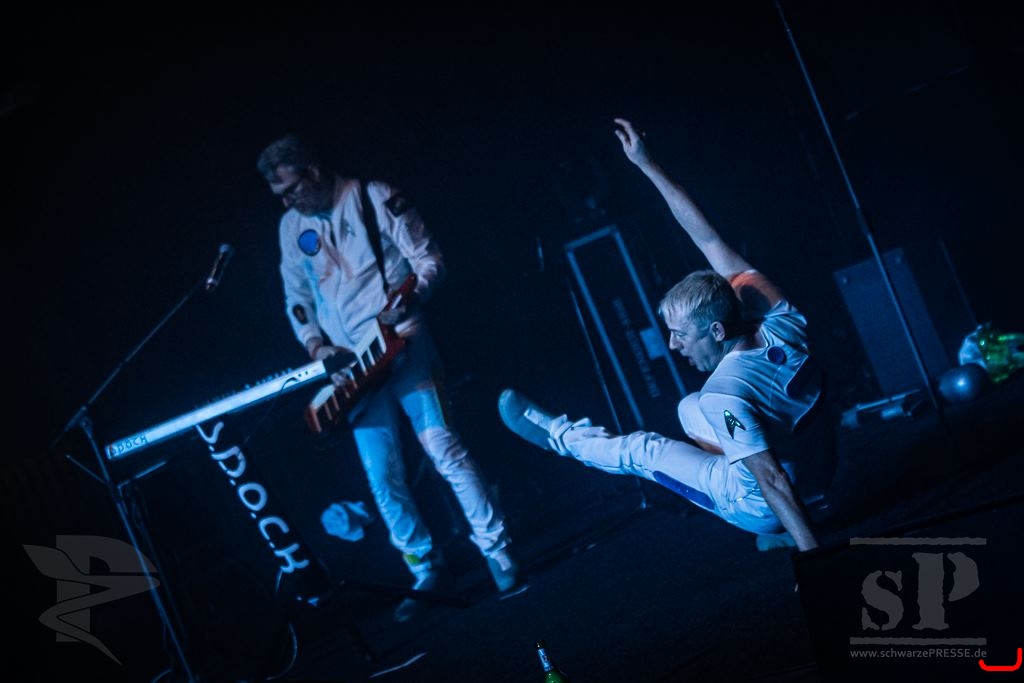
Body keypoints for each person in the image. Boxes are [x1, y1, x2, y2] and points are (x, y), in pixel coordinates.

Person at [500, 118, 822, 552]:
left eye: (681, 335)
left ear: (716, 329)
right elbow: (707, 237)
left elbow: (772, 479)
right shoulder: (780, 316)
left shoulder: (725, 393)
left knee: (643, 451)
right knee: (688, 408)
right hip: (820, 467)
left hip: (763, 504)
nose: (672, 345)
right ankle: (794, 509)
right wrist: (647, 164)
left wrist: (816, 557)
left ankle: (560, 436)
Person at [257, 133, 522, 622]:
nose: (287, 201)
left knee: (443, 447)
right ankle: (424, 567)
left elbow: (429, 259)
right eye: (279, 195)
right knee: (381, 474)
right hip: (350, 366)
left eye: (291, 188)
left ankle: (497, 549)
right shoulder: (290, 227)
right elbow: (296, 298)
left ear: (312, 171)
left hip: (403, 341)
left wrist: (411, 297)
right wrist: (316, 345)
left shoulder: (373, 196)